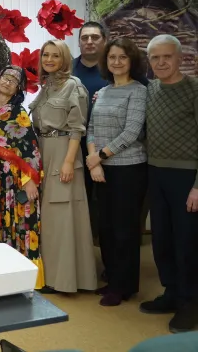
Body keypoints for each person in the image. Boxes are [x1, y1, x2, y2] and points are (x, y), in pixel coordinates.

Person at [140, 34, 198, 334]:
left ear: (180, 58)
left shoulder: (194, 89)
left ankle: (190, 303)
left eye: (167, 56)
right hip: (156, 173)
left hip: (187, 178)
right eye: (155, 57)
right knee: (162, 239)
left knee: (187, 242)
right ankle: (172, 293)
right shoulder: (150, 90)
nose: (161, 62)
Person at [29, 40, 96, 294]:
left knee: (63, 217)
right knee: (49, 219)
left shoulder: (73, 86)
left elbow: (77, 129)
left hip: (63, 153)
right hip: (44, 152)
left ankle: (66, 281)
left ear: (65, 59)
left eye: (55, 55)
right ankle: (50, 276)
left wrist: (68, 162)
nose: (49, 59)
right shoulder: (46, 86)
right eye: (45, 55)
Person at [85, 38, 147, 307]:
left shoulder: (139, 91)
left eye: (123, 57)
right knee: (106, 228)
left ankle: (124, 286)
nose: (117, 62)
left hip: (129, 169)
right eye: (112, 57)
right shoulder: (103, 91)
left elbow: (132, 132)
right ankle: (112, 279)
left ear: (132, 61)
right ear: (106, 61)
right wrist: (95, 161)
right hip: (101, 169)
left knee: (125, 229)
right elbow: (91, 128)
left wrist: (99, 156)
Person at [0, 65, 44, 288]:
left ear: (18, 88)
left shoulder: (19, 113)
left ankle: (20, 275)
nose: (8, 82)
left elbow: (29, 148)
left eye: (14, 81)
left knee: (17, 221)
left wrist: (29, 180)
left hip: (11, 177)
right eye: (6, 77)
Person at [73, 22, 109, 241]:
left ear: (104, 40)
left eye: (95, 37)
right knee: (79, 202)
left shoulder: (114, 68)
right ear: (78, 42)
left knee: (106, 206)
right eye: (84, 37)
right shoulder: (67, 68)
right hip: (73, 146)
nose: (89, 41)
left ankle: (106, 252)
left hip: (108, 149)